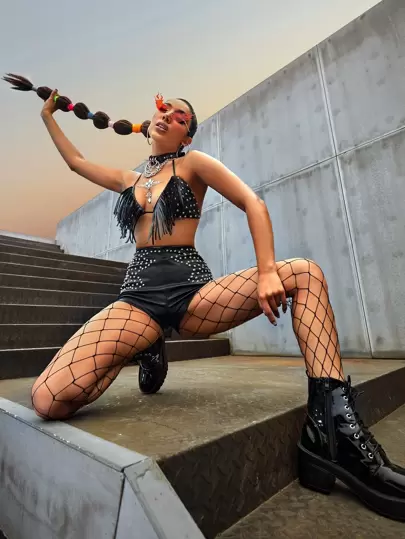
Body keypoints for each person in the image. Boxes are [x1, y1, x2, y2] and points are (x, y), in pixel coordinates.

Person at [3, 73, 404, 521]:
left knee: (305, 273)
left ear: (186, 135)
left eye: (179, 116)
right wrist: (48, 116)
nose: (167, 116)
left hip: (193, 293)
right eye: (163, 109)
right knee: (48, 400)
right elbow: (76, 162)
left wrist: (267, 271)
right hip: (138, 300)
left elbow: (252, 202)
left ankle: (334, 431)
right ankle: (143, 345)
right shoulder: (129, 179)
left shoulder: (193, 163)